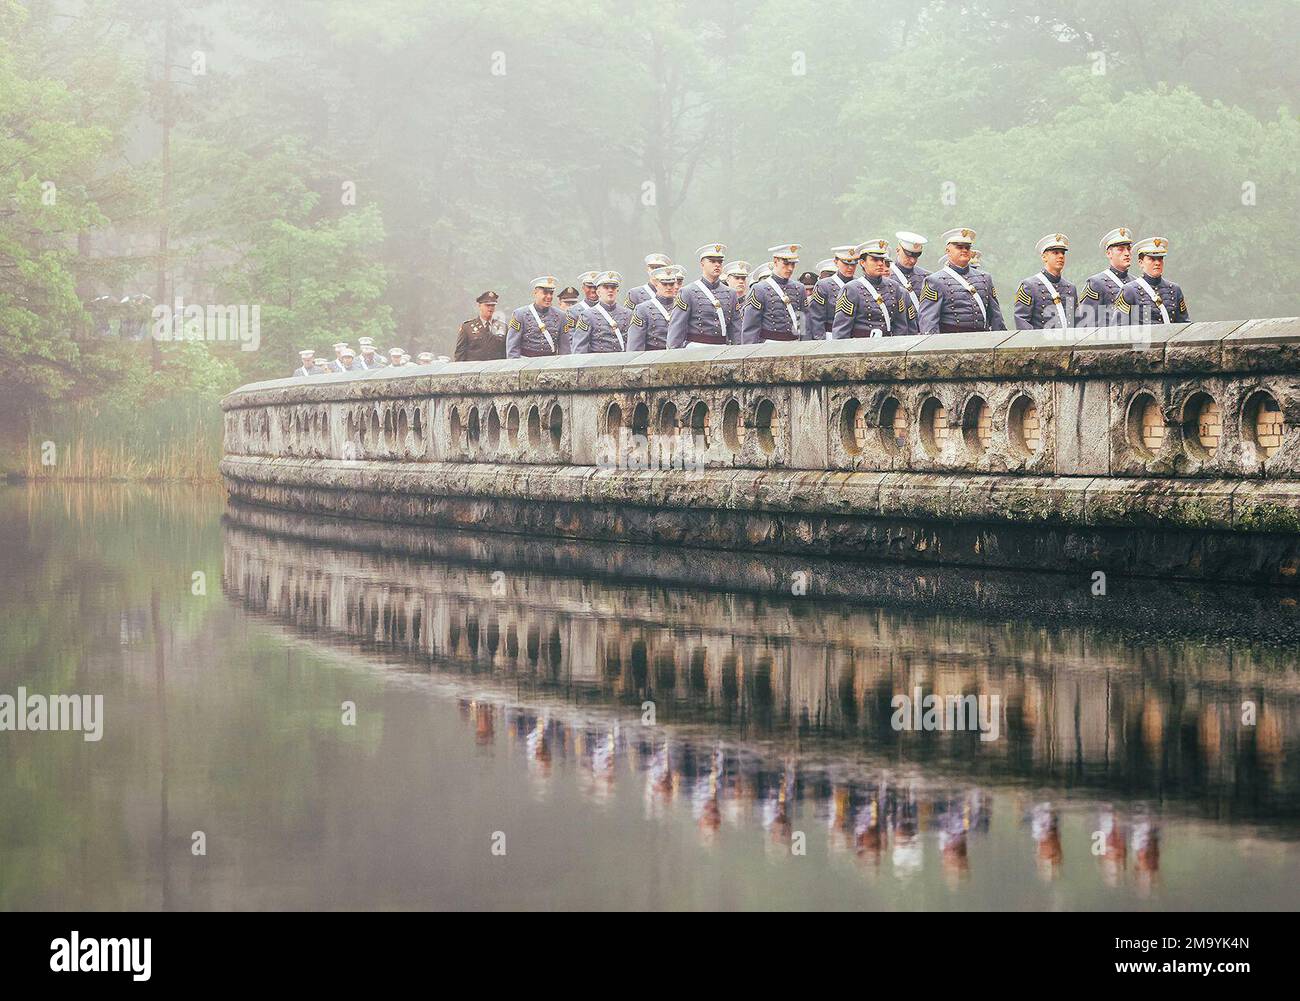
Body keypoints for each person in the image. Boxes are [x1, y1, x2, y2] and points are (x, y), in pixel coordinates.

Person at [917, 227, 1005, 334]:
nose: (964, 250)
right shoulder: (934, 281)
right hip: (951, 343)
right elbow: (928, 321)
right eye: (959, 247)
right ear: (948, 251)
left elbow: (996, 317)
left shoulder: (985, 278)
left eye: (967, 247)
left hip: (983, 339)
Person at [831, 239, 916, 338]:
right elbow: (841, 331)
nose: (880, 263)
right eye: (875, 260)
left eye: (882, 260)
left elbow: (901, 325)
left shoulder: (894, 287)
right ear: (862, 263)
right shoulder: (850, 289)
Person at [667, 243, 740, 348]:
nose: (717, 265)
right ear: (702, 264)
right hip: (695, 349)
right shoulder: (687, 292)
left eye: (720, 261)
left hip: (723, 349)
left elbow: (736, 329)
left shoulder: (731, 293)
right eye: (712, 261)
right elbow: (677, 327)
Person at [740, 244, 806, 344]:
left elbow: (804, 323)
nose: (790, 269)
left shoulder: (799, 288)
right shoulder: (759, 289)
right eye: (786, 263)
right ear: (775, 261)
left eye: (793, 264)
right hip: (769, 345)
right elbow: (751, 328)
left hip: (795, 344)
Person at [1114, 237, 1188, 325]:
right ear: (1141, 262)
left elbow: (1184, 324)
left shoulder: (1175, 289)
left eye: (1160, 258)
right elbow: (1118, 329)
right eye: (1152, 259)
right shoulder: (1129, 291)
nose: (1157, 263)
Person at [1013, 234, 1078, 329]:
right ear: (1044, 257)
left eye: (1063, 253)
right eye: (1055, 253)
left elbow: (1075, 322)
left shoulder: (1071, 288)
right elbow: (1022, 321)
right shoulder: (1029, 286)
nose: (1061, 256)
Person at [507, 276, 573, 357]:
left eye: (551, 293)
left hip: (551, 364)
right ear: (535, 292)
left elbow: (565, 348)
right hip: (526, 364)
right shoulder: (520, 314)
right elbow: (513, 347)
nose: (549, 297)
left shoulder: (561, 316)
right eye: (545, 293)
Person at [1079, 227, 1134, 322]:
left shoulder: (1136, 282)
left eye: (1128, 249)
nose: (1127, 253)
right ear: (1109, 254)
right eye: (1120, 249)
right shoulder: (1096, 283)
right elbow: (1086, 324)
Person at [572, 271, 632, 353]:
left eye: (613, 287)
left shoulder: (628, 314)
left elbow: (634, 344)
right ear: (598, 292)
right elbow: (579, 348)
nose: (610, 290)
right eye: (606, 287)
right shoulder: (587, 315)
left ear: (617, 291)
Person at [808, 246, 859, 339]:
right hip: (830, 336)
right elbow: (816, 318)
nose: (850, 267)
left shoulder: (860, 284)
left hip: (856, 337)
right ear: (836, 262)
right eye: (845, 263)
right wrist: (820, 341)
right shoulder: (823, 285)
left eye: (854, 264)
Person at [628, 266, 680, 351]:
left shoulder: (681, 306)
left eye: (671, 284)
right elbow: (635, 344)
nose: (669, 287)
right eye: (664, 284)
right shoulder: (642, 309)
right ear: (656, 285)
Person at [454, 290, 507, 361]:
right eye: (487, 305)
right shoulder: (467, 327)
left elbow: (507, 352)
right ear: (479, 306)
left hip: (495, 370)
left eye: (493, 305)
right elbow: (460, 354)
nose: (490, 308)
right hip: (473, 370)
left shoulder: (502, 327)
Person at [891, 232, 929, 319]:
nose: (912, 260)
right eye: (908, 255)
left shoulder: (927, 277)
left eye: (916, 256)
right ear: (898, 250)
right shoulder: (886, 277)